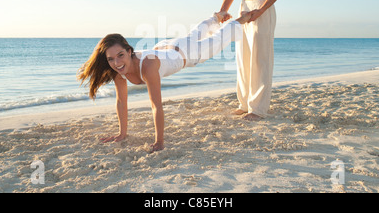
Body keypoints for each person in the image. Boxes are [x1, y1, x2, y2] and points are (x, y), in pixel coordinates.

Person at [78, 11, 251, 152]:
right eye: (110, 59)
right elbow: (121, 101)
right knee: (193, 35)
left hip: (187, 54)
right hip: (166, 46)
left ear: (129, 51)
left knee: (218, 39)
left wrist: (159, 141)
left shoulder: (148, 67)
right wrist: (122, 134)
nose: (116, 63)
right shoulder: (118, 70)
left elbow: (156, 106)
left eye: (120, 55)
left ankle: (241, 19)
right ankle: (215, 18)